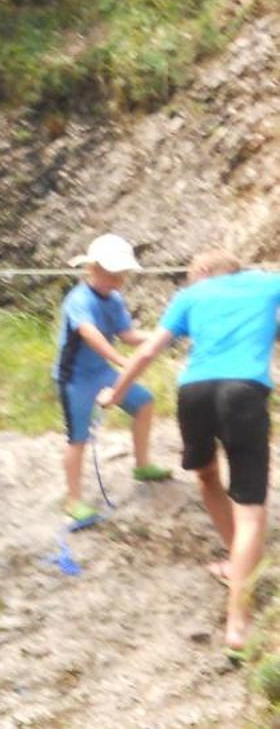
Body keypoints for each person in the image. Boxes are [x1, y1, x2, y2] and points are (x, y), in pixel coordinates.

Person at [99, 250, 280, 652]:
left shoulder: (189, 296)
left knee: (206, 474)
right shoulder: (268, 284)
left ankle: (237, 565)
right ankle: (238, 622)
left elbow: (148, 351)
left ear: (201, 272)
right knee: (251, 508)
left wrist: (117, 393)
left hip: (194, 392)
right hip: (243, 393)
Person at [54, 233, 168, 522]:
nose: (117, 281)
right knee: (78, 438)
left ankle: (142, 465)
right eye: (112, 274)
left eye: (122, 275)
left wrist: (162, 336)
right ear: (92, 269)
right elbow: (89, 333)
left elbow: (126, 335)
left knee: (143, 403)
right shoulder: (78, 299)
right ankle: (73, 499)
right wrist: (120, 361)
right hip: (75, 378)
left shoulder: (114, 298)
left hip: (102, 372)